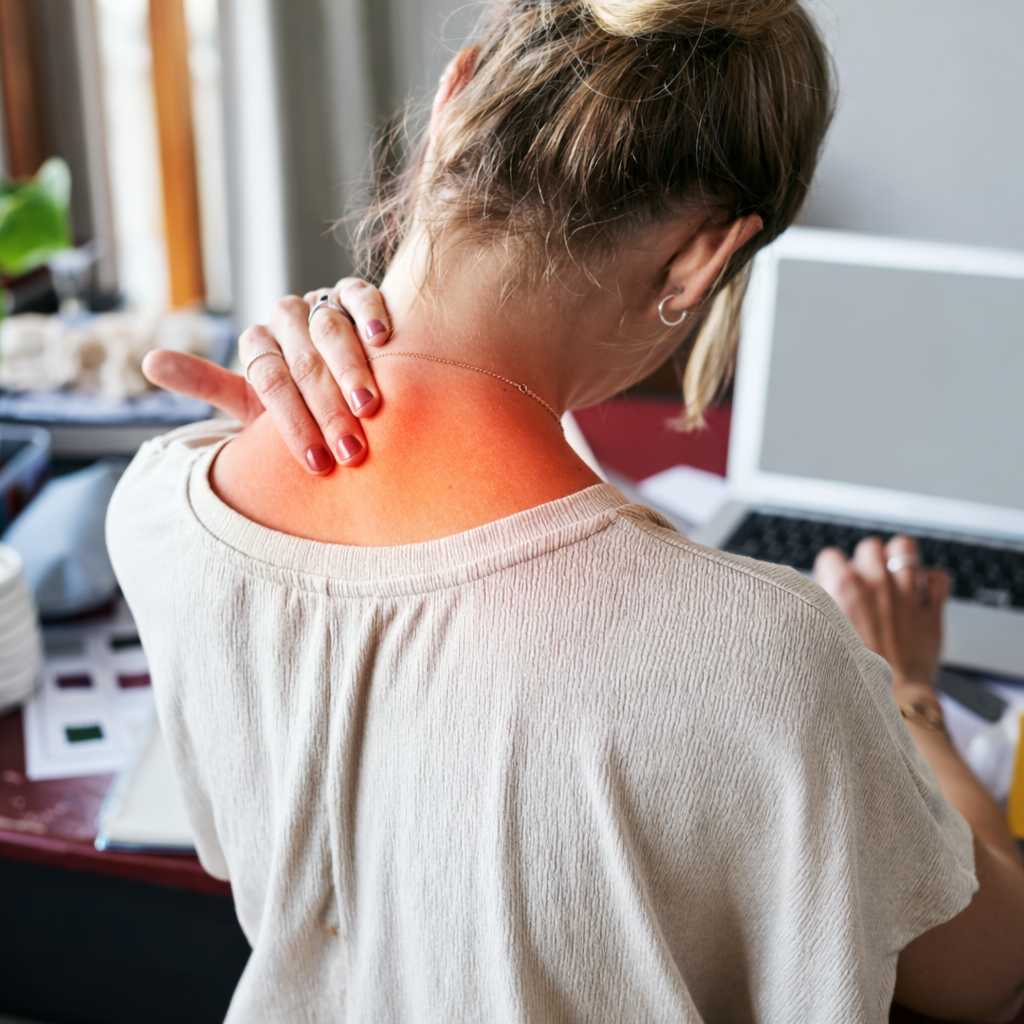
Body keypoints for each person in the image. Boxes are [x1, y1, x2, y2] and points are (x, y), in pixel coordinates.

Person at [109, 1, 1024, 1020]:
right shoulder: (769, 655)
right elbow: (994, 974)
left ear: (450, 98)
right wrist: (903, 693)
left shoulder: (159, 506)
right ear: (701, 259)